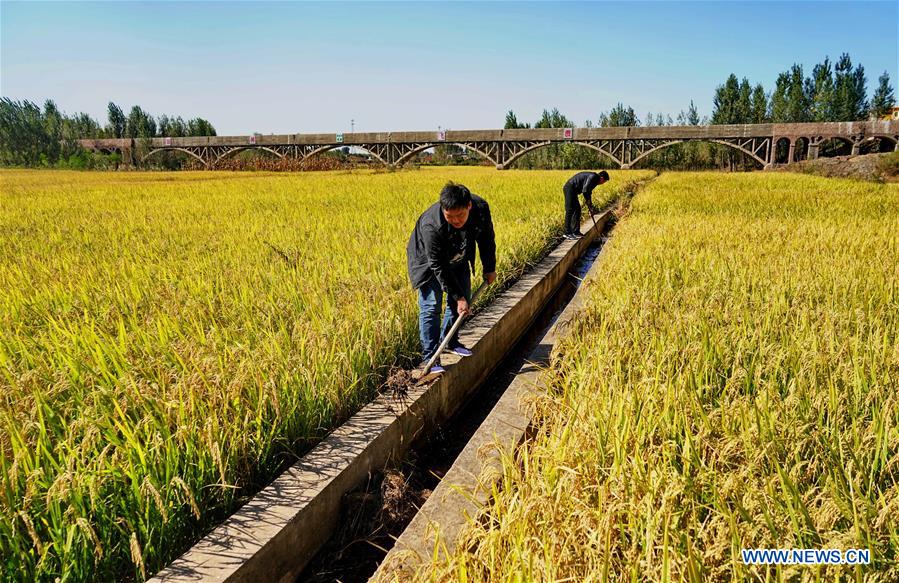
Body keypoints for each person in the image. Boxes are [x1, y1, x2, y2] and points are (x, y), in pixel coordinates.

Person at [407, 182, 497, 373]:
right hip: (428, 262)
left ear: (469, 206)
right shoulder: (432, 225)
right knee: (431, 305)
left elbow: (486, 238)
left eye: (460, 215)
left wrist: (489, 267)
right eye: (450, 217)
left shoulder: (480, 208)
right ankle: (430, 356)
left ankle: (450, 340)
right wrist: (459, 298)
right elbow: (438, 265)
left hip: (458, 253)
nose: (456, 221)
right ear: (442, 209)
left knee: (462, 299)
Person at [562, 170, 609, 239]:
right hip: (569, 188)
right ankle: (567, 233)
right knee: (570, 210)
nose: (602, 183)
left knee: (577, 210)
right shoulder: (594, 177)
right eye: (604, 182)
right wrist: (589, 203)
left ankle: (576, 231)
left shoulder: (595, 180)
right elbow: (586, 190)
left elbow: (588, 192)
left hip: (574, 191)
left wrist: (590, 204)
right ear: (602, 178)